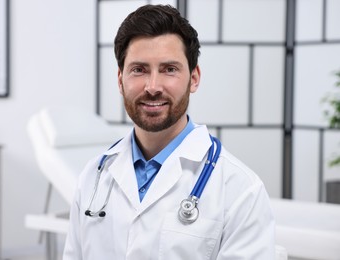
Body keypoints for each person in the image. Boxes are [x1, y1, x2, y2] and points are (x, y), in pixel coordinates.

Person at [63, 4, 275, 259]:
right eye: (139, 69)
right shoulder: (93, 177)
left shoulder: (240, 190)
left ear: (194, 78)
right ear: (120, 80)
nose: (153, 87)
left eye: (169, 69)